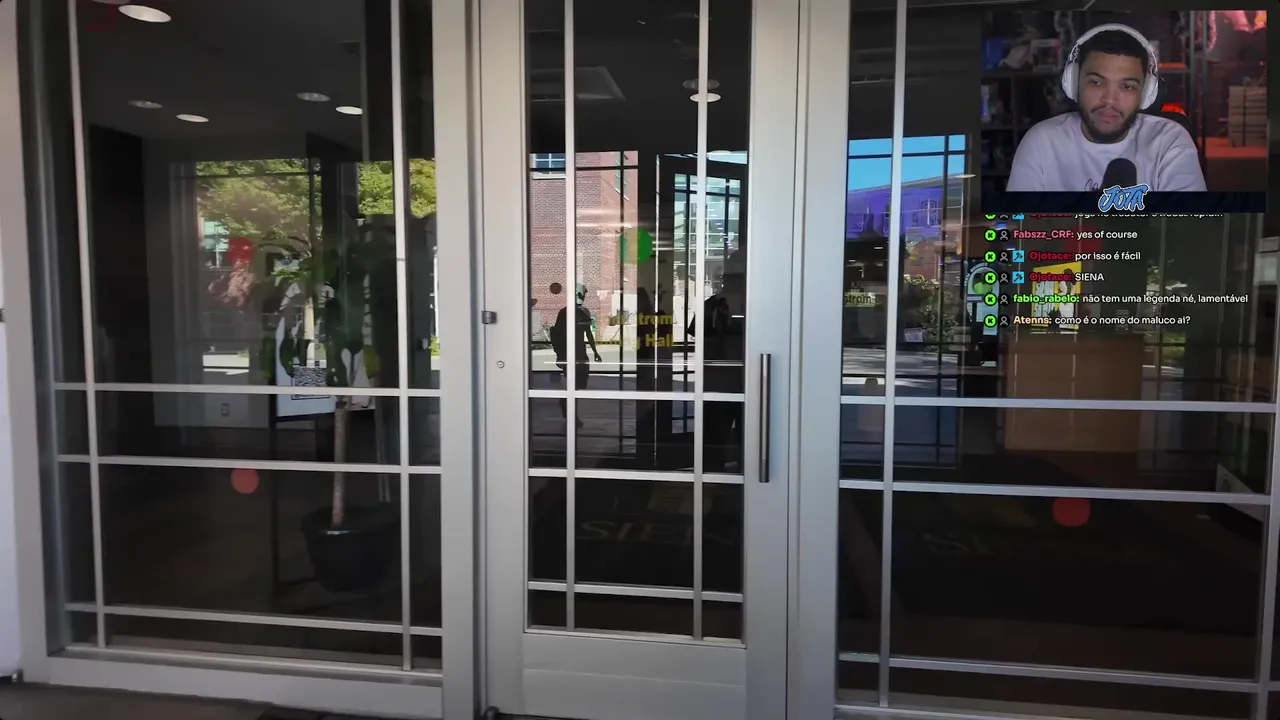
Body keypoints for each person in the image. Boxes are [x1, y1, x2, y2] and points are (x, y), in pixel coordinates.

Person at [1006, 23, 1206, 192]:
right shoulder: (1041, 142)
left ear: (1145, 93)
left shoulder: (1170, 141)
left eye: (1127, 86)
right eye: (1096, 82)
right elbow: (1021, 222)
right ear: (1074, 83)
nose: (1110, 100)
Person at [551, 283, 602, 427]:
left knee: (579, 385)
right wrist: (560, 355)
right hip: (569, 354)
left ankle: (568, 407)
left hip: (580, 354)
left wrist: (595, 351)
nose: (583, 296)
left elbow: (588, 333)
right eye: (581, 294)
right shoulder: (564, 313)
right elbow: (557, 334)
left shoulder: (583, 312)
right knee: (573, 385)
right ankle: (569, 411)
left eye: (583, 294)